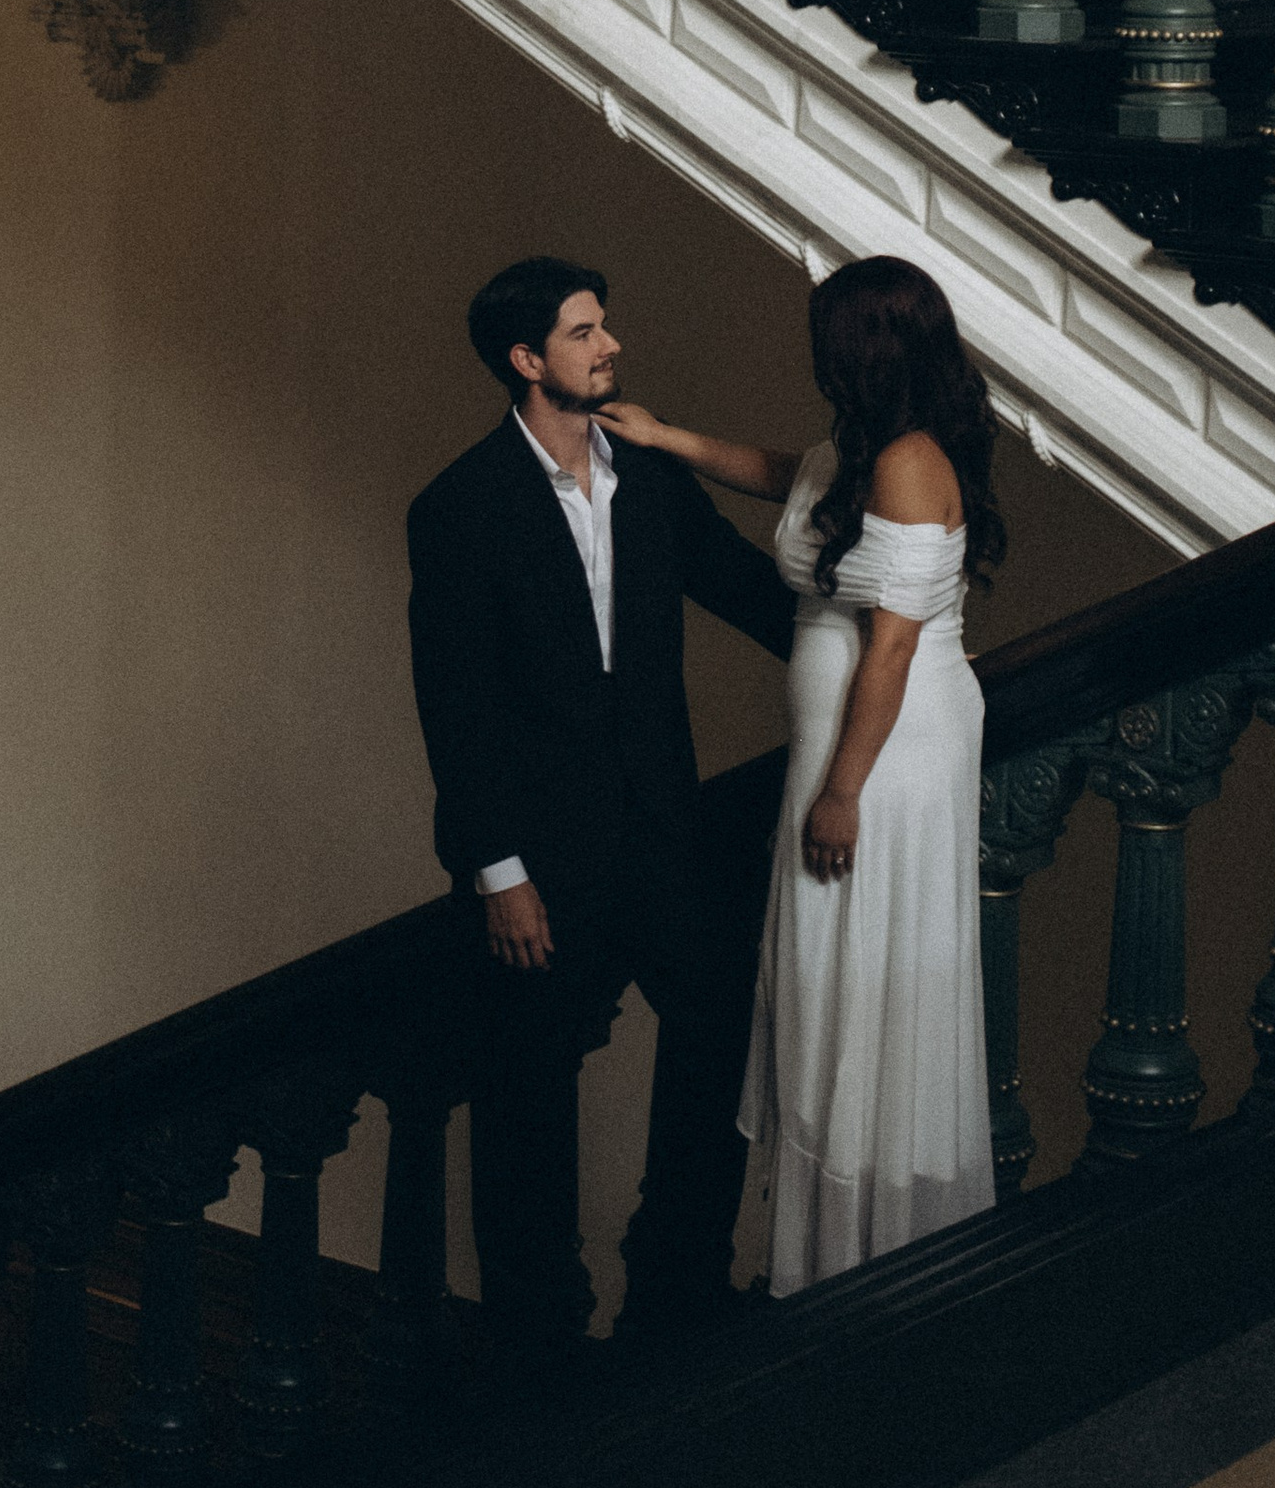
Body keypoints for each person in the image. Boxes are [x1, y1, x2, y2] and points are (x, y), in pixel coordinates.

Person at [406, 256, 794, 1375]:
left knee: (721, 1033)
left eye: (603, 328)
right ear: (528, 362)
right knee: (525, 1095)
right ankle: (535, 1334)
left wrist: (881, 640)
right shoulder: (460, 507)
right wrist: (497, 871)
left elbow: (746, 589)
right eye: (584, 333)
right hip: (542, 861)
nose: (609, 347)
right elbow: (454, 703)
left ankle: (674, 1277)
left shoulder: (651, 476)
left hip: (663, 836)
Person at [596, 253, 1002, 1294]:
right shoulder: (858, 450)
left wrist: (840, 790)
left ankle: (873, 1253)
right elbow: (788, 475)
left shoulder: (912, 459)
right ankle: (830, 1252)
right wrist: (667, 437)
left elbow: (896, 649)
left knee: (866, 973)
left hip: (889, 762)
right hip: (851, 754)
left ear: (863, 350)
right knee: (827, 978)